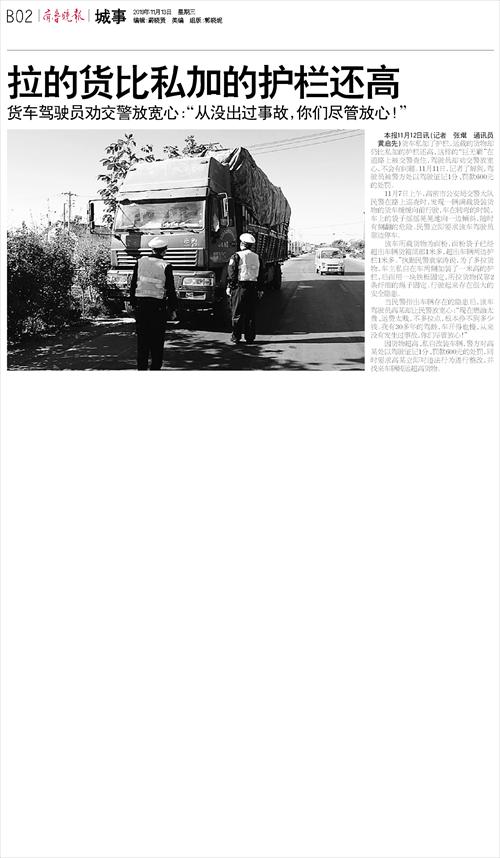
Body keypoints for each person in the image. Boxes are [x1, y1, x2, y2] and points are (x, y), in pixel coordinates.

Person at [130, 236, 178, 370]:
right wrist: (173, 309)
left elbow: (133, 284)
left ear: (152, 249)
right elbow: (171, 289)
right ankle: (155, 368)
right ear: (164, 251)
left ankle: (141, 369)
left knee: (142, 342)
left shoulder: (140, 262)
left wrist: (133, 304)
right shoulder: (166, 265)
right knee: (157, 342)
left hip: (141, 307)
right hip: (158, 309)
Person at [226, 233, 264, 344]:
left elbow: (232, 273)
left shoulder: (236, 256)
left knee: (237, 313)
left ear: (242, 244)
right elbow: (261, 274)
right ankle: (250, 337)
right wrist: (260, 289)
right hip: (252, 287)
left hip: (239, 287)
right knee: (250, 314)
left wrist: (230, 286)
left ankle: (236, 337)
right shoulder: (257, 257)